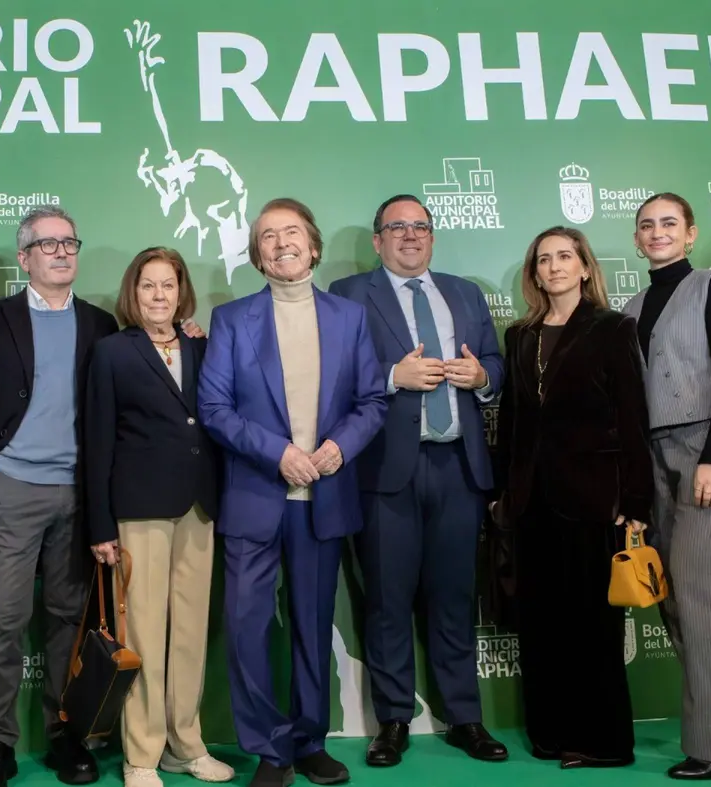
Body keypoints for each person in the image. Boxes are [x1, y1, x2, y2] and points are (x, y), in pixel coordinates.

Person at [198, 197, 386, 787]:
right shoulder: (232, 320)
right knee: (248, 627)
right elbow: (214, 407)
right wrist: (278, 453)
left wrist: (337, 449)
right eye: (268, 236)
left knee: (311, 624)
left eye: (291, 232)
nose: (281, 242)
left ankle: (308, 740)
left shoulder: (348, 318)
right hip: (256, 495)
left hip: (324, 498)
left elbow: (373, 401)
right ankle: (268, 748)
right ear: (257, 254)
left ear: (312, 244)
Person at [327, 194, 506, 767]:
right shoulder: (350, 295)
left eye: (420, 226)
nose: (410, 235)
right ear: (377, 241)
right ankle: (394, 720)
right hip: (384, 470)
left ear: (433, 237)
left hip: (458, 466)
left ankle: (465, 718)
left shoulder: (466, 292)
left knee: (454, 598)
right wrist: (390, 375)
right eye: (396, 227)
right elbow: (331, 377)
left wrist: (482, 376)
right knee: (387, 599)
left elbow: (498, 366)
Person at [0, 205, 120, 787]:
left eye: (69, 243)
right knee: (3, 618)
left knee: (68, 621)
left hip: (78, 495)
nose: (62, 253)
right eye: (48, 245)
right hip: (11, 492)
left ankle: (64, 734)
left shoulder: (100, 325)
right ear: (24, 258)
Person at [490, 226, 651, 769]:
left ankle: (605, 743)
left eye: (565, 256)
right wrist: (500, 496)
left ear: (585, 267)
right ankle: (551, 733)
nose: (555, 266)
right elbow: (510, 424)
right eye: (543, 259)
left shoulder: (612, 329)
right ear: (534, 273)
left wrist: (636, 502)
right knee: (541, 624)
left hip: (593, 503)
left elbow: (633, 422)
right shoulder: (520, 336)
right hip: (530, 504)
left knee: (592, 626)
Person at [623, 193, 711, 781]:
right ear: (637, 239)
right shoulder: (630, 308)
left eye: (668, 224)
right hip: (657, 455)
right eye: (647, 224)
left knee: (704, 600)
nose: (657, 232)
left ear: (690, 234)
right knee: (679, 602)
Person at [85, 247, 233, 787]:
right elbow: (97, 441)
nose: (158, 295)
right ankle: (142, 755)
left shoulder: (203, 346)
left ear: (181, 292)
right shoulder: (112, 352)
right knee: (143, 632)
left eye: (168, 285)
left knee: (190, 632)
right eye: (148, 285)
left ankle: (184, 745)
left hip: (199, 506)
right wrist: (100, 523)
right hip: (138, 510)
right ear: (133, 292)